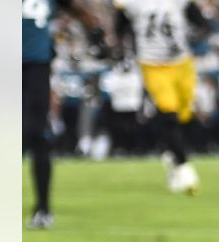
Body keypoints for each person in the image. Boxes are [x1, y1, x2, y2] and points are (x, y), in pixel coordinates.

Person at [22, 0, 108, 230]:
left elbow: (78, 9)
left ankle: (43, 208)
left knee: (36, 134)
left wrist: (96, 34)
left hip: (35, 67)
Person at [114, 0, 208, 194]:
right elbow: (120, 26)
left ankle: (173, 155)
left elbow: (200, 22)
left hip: (182, 63)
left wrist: (197, 34)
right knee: (168, 112)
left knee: (184, 115)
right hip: (153, 64)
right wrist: (123, 46)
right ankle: (183, 166)